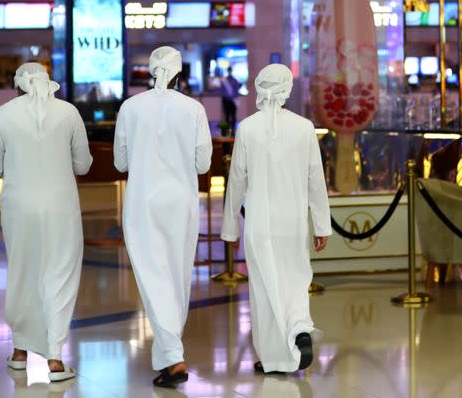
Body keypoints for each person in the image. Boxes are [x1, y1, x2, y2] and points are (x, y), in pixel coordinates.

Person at [0, 63, 92, 382]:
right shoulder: (69, 112)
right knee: (59, 273)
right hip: (60, 206)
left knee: (22, 272)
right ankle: (55, 359)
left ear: (18, 86)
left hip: (18, 207)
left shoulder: (4, 113)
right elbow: (83, 165)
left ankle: (20, 351)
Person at [221, 63, 332, 374]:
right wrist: (321, 224)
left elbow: (237, 182)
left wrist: (230, 229)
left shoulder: (247, 128)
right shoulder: (304, 127)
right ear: (287, 89)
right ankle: (298, 328)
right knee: (296, 279)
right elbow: (315, 179)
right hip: (294, 223)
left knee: (264, 288)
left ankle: (273, 358)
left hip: (260, 224)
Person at [113, 46, 212, 388]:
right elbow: (203, 164)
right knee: (177, 275)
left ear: (149, 71)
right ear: (180, 73)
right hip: (182, 201)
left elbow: (120, 162)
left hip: (143, 201)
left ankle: (173, 356)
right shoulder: (194, 109)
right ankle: (172, 354)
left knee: (153, 276)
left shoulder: (130, 107)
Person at [220, 66, 241, 131]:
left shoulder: (234, 80)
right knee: (228, 115)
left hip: (229, 100)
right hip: (228, 100)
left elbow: (222, 91)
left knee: (231, 115)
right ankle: (230, 129)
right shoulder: (228, 80)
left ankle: (231, 129)